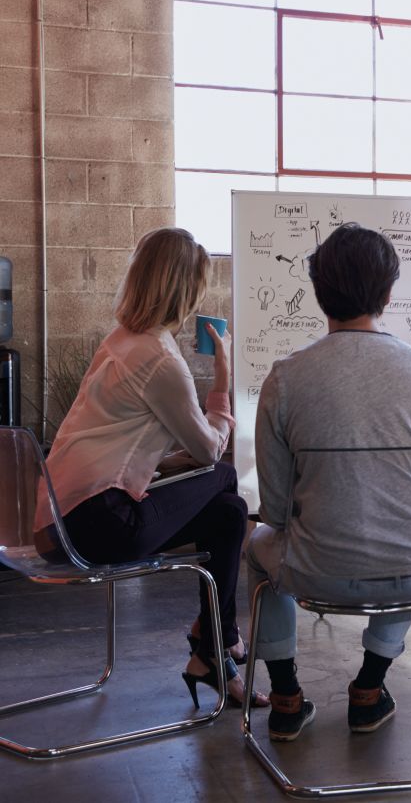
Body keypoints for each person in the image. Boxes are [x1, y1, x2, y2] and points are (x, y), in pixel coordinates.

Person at [247, 222, 411, 743]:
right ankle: (369, 688)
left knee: (254, 547)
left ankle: (284, 698)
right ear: (389, 294)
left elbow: (275, 512)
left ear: (319, 294)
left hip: (314, 573)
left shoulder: (284, 378)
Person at [33, 227, 265, 708]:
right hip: (99, 526)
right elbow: (208, 450)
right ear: (186, 291)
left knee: (227, 514)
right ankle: (217, 641)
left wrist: (165, 465)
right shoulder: (161, 359)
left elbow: (117, 441)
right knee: (224, 478)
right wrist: (222, 381)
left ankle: (212, 652)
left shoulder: (119, 342)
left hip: (56, 521)